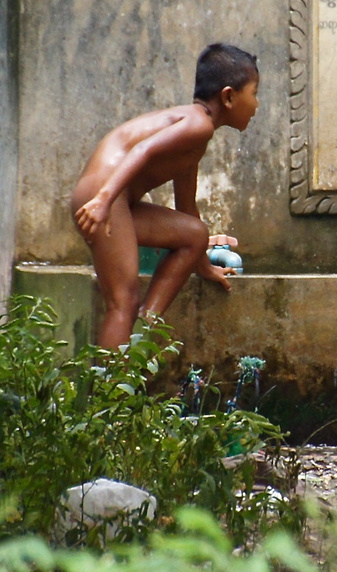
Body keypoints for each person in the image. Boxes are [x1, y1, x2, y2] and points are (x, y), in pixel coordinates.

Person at [72, 43, 259, 348]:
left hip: (112, 199)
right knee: (123, 302)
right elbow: (142, 150)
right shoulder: (198, 125)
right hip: (103, 194)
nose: (256, 104)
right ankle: (110, 393)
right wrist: (103, 201)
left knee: (195, 233)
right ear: (228, 96)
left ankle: (145, 334)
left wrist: (204, 266)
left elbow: (186, 208)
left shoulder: (194, 136)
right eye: (254, 93)